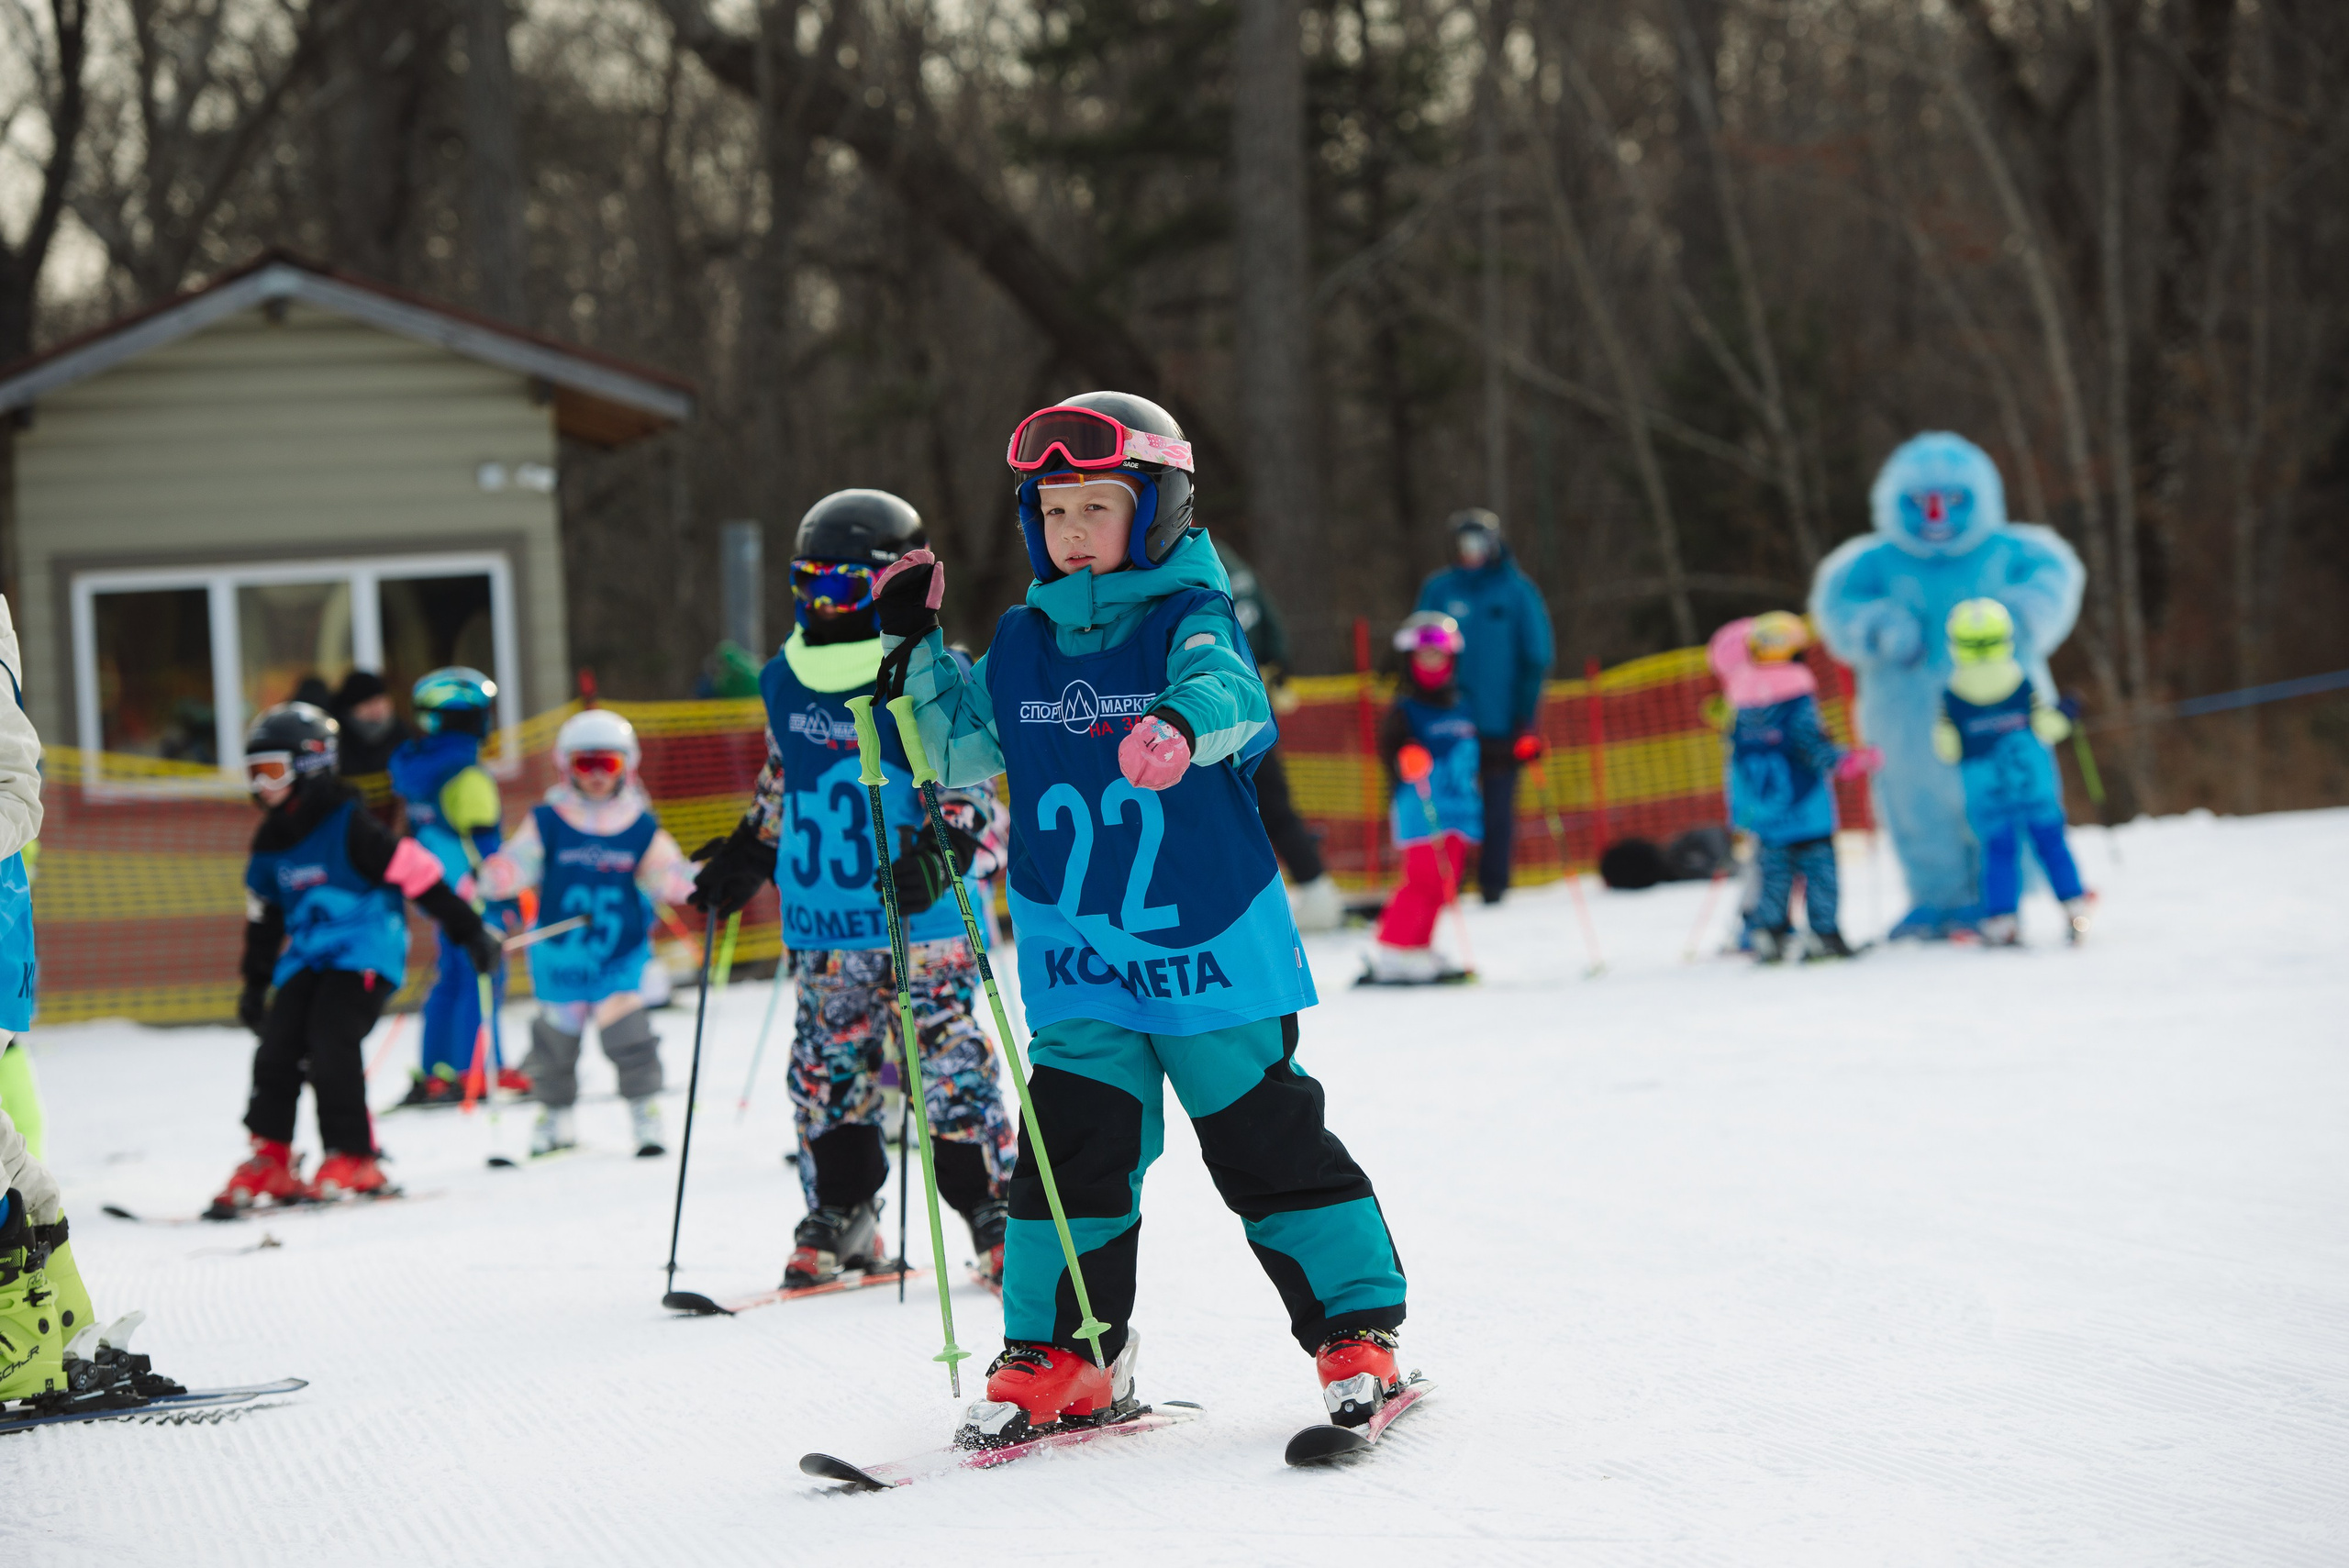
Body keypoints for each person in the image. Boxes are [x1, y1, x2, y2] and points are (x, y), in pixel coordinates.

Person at [874, 391, 1410, 1448]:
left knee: (1263, 1142)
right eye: (1054, 512)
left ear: (1156, 511)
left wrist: (1177, 722)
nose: (1073, 532)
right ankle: (1066, 1349)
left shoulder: (1189, 616)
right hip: (1080, 953)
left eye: (1097, 507)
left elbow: (1229, 692)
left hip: (1208, 946)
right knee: (1069, 1152)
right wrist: (913, 645)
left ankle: (1356, 1330)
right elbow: (950, 747)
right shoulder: (1023, 639)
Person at [690, 489, 1017, 1290]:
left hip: (921, 923)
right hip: (825, 924)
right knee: (826, 1066)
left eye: (844, 589)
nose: (823, 606)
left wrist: (943, 850)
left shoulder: (927, 674)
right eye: (809, 587)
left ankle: (992, 1208)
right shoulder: (785, 676)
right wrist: (751, 848)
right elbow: (784, 777)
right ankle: (842, 1209)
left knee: (949, 1062)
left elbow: (970, 784)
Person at [211, 705, 501, 1213]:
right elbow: (264, 920)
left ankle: (354, 1155)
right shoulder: (271, 841)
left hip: (366, 952)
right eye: (253, 773)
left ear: (310, 766)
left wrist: (469, 929)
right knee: (278, 1045)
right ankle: (271, 1156)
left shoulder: (350, 824)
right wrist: (256, 986)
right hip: (309, 957)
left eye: (272, 770)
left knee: (331, 1039)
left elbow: (417, 873)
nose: (261, 785)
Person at [1810, 434, 2084, 938]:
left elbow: (2054, 576)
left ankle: (2004, 895)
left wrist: (2024, 614)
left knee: (2010, 794)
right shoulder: (1871, 562)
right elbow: (1837, 605)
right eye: (1918, 502)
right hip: (1905, 717)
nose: (1936, 516)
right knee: (1916, 805)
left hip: (2003, 708)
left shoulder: (2011, 550)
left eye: (1955, 500)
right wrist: (1878, 626)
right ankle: (1936, 896)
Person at [474, 709, 697, 1158]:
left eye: (608, 764)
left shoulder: (639, 825)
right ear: (566, 766)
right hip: (561, 954)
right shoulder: (550, 820)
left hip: (618, 952)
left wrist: (699, 881)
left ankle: (645, 1110)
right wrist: (496, 876)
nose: (596, 776)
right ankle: (555, 1116)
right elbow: (520, 862)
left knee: (628, 1034)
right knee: (555, 1040)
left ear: (627, 766)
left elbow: (664, 876)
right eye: (585, 764)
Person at [1708, 612, 1878, 962]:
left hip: (1766, 811)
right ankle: (1824, 934)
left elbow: (1736, 761)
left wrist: (1741, 810)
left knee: (1775, 874)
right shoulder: (1796, 695)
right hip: (1806, 808)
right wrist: (1846, 761)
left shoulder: (1740, 705)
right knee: (1820, 871)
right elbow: (1809, 744)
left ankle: (1769, 933)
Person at [387, 667, 518, 1106]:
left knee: (451, 976)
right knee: (482, 977)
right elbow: (487, 846)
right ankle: (474, 1069)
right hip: (476, 893)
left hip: (440, 894)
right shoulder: (467, 775)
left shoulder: (418, 770)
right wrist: (508, 894)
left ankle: (438, 1069)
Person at [1932, 600, 2093, 946]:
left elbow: (1947, 748)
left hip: (1986, 793)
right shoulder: (2020, 682)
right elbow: (2048, 727)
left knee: (1998, 852)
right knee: (2051, 844)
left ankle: (2002, 922)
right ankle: (2076, 912)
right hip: (2033, 784)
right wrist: (2067, 711)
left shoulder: (1952, 694)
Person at [1414, 509, 1553, 904]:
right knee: (1447, 801)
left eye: (1478, 544)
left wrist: (1524, 714)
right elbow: (1417, 648)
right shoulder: (1440, 590)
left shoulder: (1516, 591)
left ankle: (1494, 884)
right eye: (1464, 545)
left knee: (1497, 806)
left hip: (1499, 720)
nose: (1471, 553)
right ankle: (1447, 881)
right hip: (1446, 720)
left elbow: (1536, 656)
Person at [1213, 539, 1342, 932]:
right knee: (1269, 801)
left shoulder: (1186, 559)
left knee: (1222, 805)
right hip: (1252, 699)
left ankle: (1245, 902)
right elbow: (1270, 620)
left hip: (1213, 702)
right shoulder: (1232, 561)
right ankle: (1316, 889)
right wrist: (1278, 662)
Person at [1363, 612, 1477, 984]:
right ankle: (1394, 949)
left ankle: (1419, 946)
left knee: (1445, 882)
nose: (1432, 663)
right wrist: (1405, 757)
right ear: (1411, 659)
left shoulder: (1463, 704)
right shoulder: (1405, 709)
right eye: (1424, 656)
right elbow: (1391, 749)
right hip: (1422, 809)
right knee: (1423, 879)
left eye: (1438, 656)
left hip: (1460, 809)